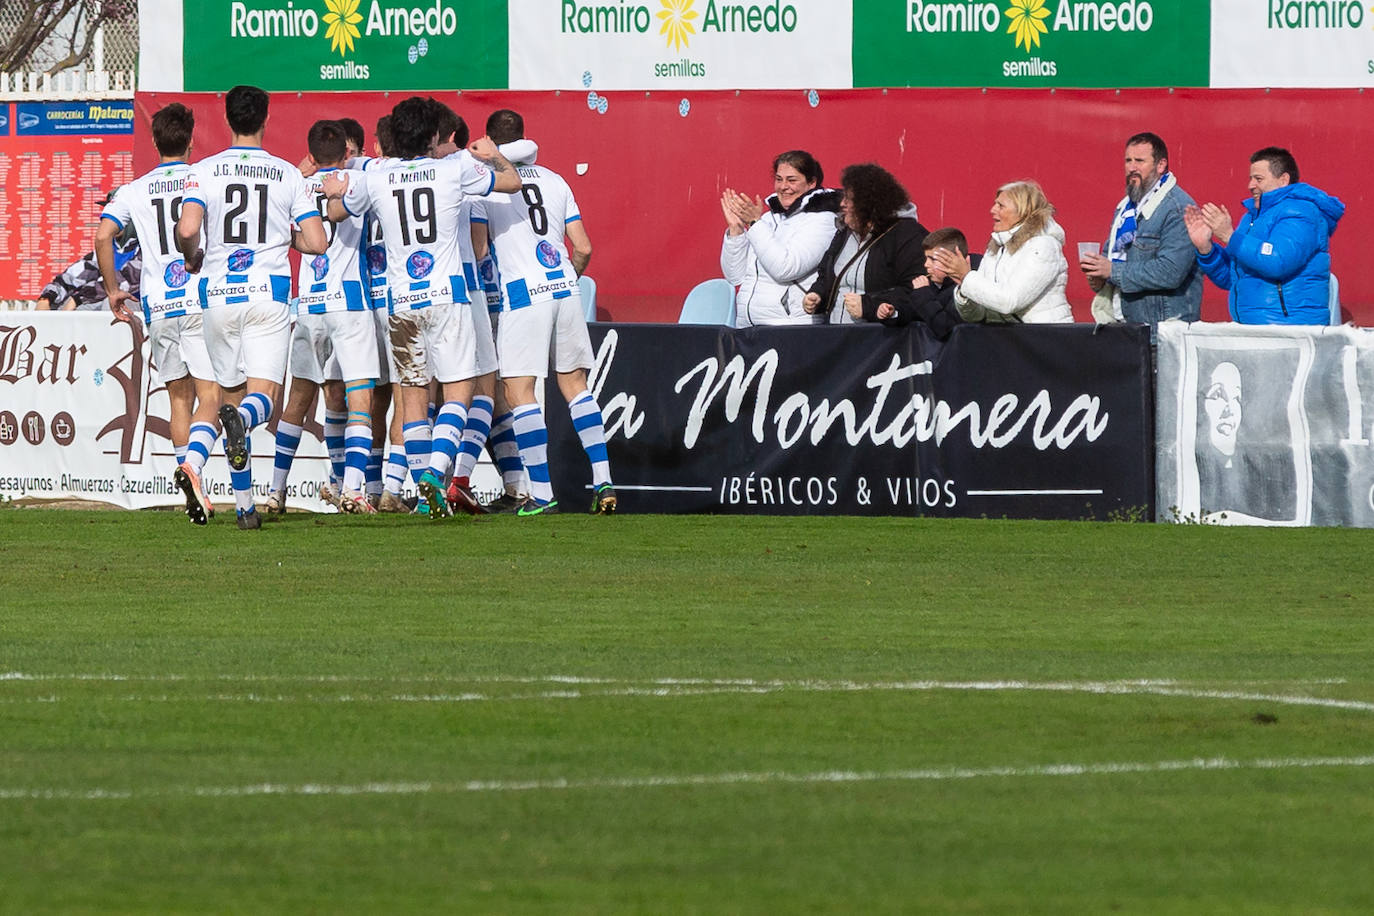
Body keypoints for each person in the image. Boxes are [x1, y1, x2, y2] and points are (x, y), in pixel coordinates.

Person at [322, 95, 521, 519]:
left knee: (411, 401)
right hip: (447, 297)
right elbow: (511, 183)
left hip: (400, 302)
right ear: (433, 136)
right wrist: (494, 155)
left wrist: (335, 193)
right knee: (459, 392)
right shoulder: (455, 169)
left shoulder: (377, 176)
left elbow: (338, 211)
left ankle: (420, 491)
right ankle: (434, 474)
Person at [175, 84, 329, 530]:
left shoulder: (203, 171)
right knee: (262, 400)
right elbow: (317, 242)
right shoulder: (287, 174)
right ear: (265, 120)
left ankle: (227, 492)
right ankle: (240, 425)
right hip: (268, 294)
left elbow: (188, 228)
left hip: (220, 295)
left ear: (227, 120)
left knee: (228, 398)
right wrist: (286, 236)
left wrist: (192, 254)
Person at [474, 107, 618, 516]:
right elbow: (584, 247)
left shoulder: (487, 187)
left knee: (518, 392)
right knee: (575, 387)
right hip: (565, 288)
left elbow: (481, 249)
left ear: (489, 141)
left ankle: (540, 494)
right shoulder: (556, 180)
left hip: (523, 294)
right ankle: (604, 479)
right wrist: (566, 278)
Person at [94, 102, 221, 525]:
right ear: (191, 140)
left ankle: (191, 488)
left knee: (178, 399)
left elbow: (103, 235)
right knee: (213, 397)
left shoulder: (135, 189)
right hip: (198, 299)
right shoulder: (201, 179)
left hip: (157, 304)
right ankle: (195, 471)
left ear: (153, 142)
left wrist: (113, 290)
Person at [266, 120, 378, 516]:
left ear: (311, 155)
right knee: (358, 397)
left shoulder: (294, 185)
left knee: (301, 398)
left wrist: (302, 172)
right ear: (347, 152)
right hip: (349, 302)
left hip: (309, 304)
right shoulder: (359, 180)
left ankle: (276, 491)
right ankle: (352, 489)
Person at [1184, 147, 1345, 325]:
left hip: (1290, 331)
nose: (1251, 185)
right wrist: (1205, 248)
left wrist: (1230, 236)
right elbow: (1233, 278)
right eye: (1251, 178)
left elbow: (1279, 261)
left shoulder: (1302, 212)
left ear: (1283, 180)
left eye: (1258, 179)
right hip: (1254, 330)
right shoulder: (1251, 218)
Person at [1079, 132, 1203, 326]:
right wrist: (1099, 278)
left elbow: (1170, 272)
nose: (1132, 167)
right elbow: (1110, 258)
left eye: (1140, 161)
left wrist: (1112, 271)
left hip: (1161, 331)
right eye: (1128, 160)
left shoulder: (1177, 208)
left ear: (1160, 165)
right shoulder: (1126, 209)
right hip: (1122, 325)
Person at [719, 150, 840, 327]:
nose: (783, 186)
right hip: (747, 327)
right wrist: (736, 231)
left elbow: (786, 268)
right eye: (779, 179)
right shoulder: (767, 220)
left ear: (811, 183)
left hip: (790, 328)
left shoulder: (824, 220)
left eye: (792, 180)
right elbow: (735, 276)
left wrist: (754, 224)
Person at [801, 163, 927, 324]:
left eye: (849, 198)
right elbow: (827, 274)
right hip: (836, 337)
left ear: (868, 203)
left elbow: (917, 290)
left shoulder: (908, 236)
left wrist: (869, 306)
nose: (842, 204)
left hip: (877, 342)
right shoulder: (846, 232)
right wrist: (817, 294)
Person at [937, 180, 1073, 324]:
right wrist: (964, 291)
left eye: (1000, 206)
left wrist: (967, 277)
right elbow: (976, 316)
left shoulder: (1044, 245)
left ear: (1023, 210)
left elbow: (1010, 301)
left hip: (1044, 339)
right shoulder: (996, 247)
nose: (992, 210)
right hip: (1007, 339)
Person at [873, 227, 978, 341]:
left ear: (953, 259)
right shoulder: (930, 287)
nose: (926, 265)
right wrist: (893, 313)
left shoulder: (966, 290)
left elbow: (946, 329)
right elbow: (912, 311)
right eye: (926, 259)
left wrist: (923, 296)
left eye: (933, 260)